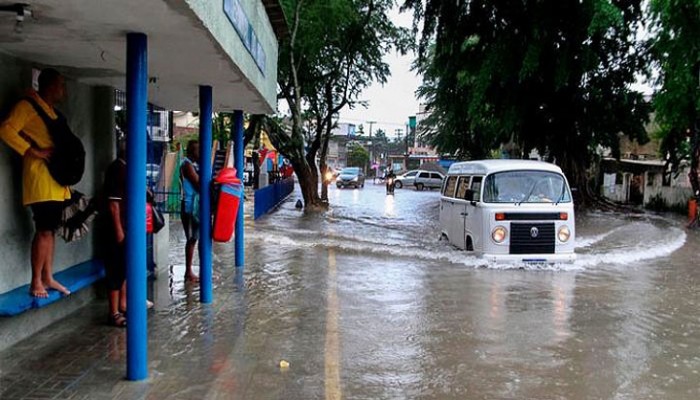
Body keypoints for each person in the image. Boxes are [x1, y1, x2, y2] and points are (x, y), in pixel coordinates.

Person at [0, 68, 71, 298]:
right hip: (40, 178)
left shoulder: (50, 111)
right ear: (50, 86)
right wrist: (31, 151)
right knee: (42, 231)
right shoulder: (27, 106)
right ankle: (36, 281)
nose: (63, 90)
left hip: (57, 181)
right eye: (60, 85)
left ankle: (48, 276)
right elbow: (6, 130)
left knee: (51, 231)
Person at [103, 138, 153, 326]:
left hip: (128, 226)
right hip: (119, 228)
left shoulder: (128, 170)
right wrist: (119, 231)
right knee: (115, 269)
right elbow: (113, 205)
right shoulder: (118, 169)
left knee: (124, 267)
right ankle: (113, 312)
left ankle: (123, 304)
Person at [180, 140, 200, 283]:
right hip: (189, 206)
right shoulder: (187, 164)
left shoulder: (193, 164)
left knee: (195, 238)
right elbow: (198, 183)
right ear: (192, 151)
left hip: (195, 206)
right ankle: (188, 271)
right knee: (192, 238)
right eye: (198, 151)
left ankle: (191, 270)